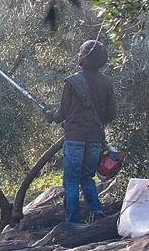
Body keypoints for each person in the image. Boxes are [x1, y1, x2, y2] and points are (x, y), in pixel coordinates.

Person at [47, 40, 116, 224]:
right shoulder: (106, 83)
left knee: (71, 181)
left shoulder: (72, 81)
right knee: (87, 178)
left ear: (84, 57)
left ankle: (73, 223)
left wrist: (51, 115)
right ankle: (97, 213)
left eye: (80, 52)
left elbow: (62, 113)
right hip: (95, 139)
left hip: (75, 138)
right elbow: (111, 115)